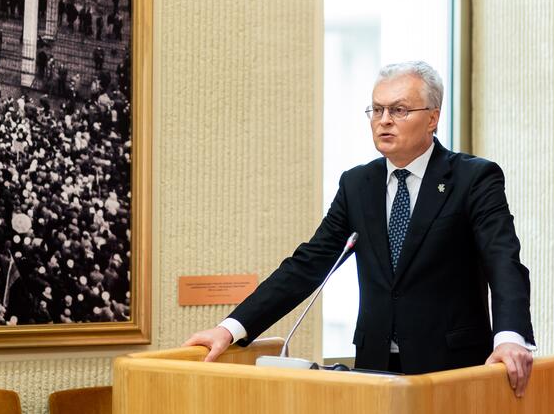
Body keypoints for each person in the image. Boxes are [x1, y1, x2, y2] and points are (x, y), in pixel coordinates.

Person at [184, 61, 535, 397]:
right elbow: (308, 264)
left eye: (399, 110)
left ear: (433, 118)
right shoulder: (358, 184)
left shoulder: (473, 179)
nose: (384, 121)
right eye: (376, 110)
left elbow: (503, 261)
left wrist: (510, 337)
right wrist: (230, 329)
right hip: (374, 368)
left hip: (451, 368)